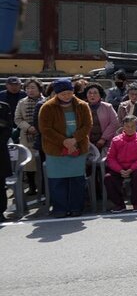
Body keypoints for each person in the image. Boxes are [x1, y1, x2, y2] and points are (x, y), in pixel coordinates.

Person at [38, 78, 92, 217]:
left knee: (77, 180)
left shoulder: (82, 105)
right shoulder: (47, 107)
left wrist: (74, 140)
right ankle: (60, 208)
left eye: (69, 93)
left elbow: (87, 125)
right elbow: (45, 129)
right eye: (63, 94)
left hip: (78, 147)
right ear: (56, 93)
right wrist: (64, 141)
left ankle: (76, 208)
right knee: (57, 181)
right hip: (55, 149)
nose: (67, 96)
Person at [104, 115, 137, 213]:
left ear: (136, 127)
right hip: (119, 168)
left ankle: (136, 203)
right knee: (108, 178)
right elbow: (111, 158)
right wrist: (120, 170)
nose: (130, 129)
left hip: (136, 168)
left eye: (132, 126)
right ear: (123, 127)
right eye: (127, 126)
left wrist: (131, 169)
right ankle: (119, 204)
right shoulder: (116, 140)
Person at [14, 79, 43, 195]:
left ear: (39, 89)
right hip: (27, 137)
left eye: (32, 87)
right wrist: (28, 127)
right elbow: (17, 119)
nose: (30, 90)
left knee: (42, 163)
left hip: (42, 136)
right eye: (27, 88)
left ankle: (43, 186)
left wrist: (39, 128)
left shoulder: (45, 101)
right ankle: (32, 186)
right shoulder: (22, 102)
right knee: (29, 163)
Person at [83, 83, 117, 153]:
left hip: (105, 142)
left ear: (100, 94)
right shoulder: (81, 107)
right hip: (86, 142)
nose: (92, 95)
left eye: (95, 93)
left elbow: (114, 122)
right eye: (90, 93)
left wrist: (103, 138)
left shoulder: (108, 107)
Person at [0, 94, 11, 219]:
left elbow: (7, 129)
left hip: (0, 151)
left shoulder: (3, 107)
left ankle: (0, 211)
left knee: (1, 185)